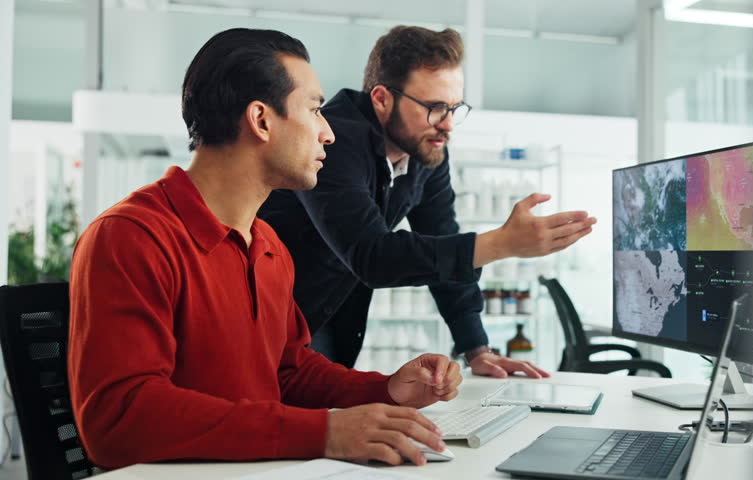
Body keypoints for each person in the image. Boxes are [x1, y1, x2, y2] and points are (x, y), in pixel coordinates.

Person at [68, 28, 461, 471]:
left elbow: (288, 371)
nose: (328, 133)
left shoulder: (269, 246)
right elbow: (119, 421)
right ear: (261, 120)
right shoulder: (130, 237)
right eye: (314, 110)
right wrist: (322, 433)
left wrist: (386, 390)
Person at [259, 26, 597, 375]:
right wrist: (501, 243)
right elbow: (372, 255)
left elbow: (441, 241)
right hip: (269, 315)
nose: (448, 125)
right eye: (435, 108)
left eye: (455, 108)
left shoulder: (425, 152)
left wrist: (476, 348)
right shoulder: (335, 140)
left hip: (331, 315)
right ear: (381, 98)